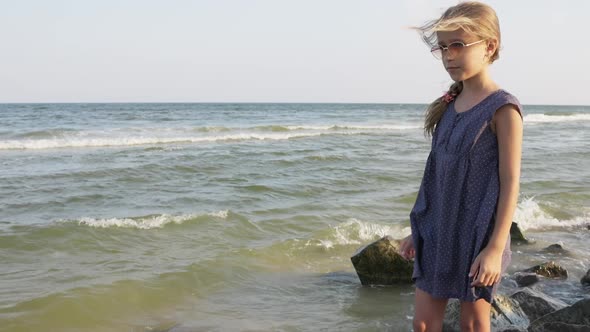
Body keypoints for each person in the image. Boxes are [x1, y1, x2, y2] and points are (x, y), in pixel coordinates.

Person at [398, 2, 523, 331]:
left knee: (472, 325)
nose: (448, 55)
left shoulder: (503, 109)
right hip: (438, 230)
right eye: (443, 47)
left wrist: (495, 248)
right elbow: (434, 176)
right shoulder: (448, 107)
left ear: (489, 46)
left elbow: (510, 182)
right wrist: (417, 229)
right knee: (423, 325)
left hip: (477, 236)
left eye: (458, 45)